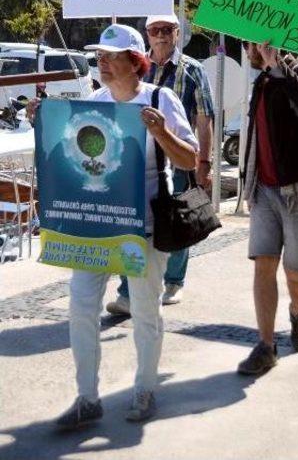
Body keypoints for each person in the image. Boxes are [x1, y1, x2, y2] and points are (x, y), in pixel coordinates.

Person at [28, 24, 198, 428]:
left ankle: (144, 390)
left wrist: (161, 131)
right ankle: (87, 397)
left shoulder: (161, 98)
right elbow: (68, 149)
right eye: (99, 56)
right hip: (96, 224)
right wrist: (43, 119)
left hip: (145, 226)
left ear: (135, 62)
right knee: (81, 307)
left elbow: (191, 159)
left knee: (144, 310)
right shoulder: (96, 101)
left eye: (110, 56)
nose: (101, 62)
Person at [106, 14, 214, 315]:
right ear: (147, 35)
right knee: (131, 223)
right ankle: (127, 291)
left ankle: (174, 280)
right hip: (135, 158)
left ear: (178, 33)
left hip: (175, 154)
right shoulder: (136, 65)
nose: (161, 35)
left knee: (176, 217)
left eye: (167, 30)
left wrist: (204, 162)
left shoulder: (193, 69)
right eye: (155, 31)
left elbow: (205, 118)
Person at [237, 41, 298, 376]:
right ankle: (266, 345)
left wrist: (279, 66)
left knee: (295, 271)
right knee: (263, 264)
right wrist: (249, 183)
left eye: (250, 43)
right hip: (264, 191)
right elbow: (257, 137)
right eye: (245, 44)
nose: (247, 49)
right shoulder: (260, 81)